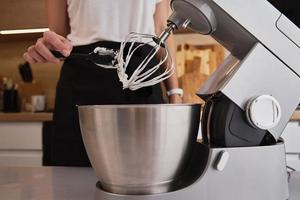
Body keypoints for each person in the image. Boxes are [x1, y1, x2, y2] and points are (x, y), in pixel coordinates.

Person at [23, 0, 183, 166]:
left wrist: (175, 93)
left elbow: (162, 30)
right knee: (74, 171)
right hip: (83, 77)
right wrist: (49, 47)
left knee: (145, 167)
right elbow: (60, 37)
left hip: (141, 77)